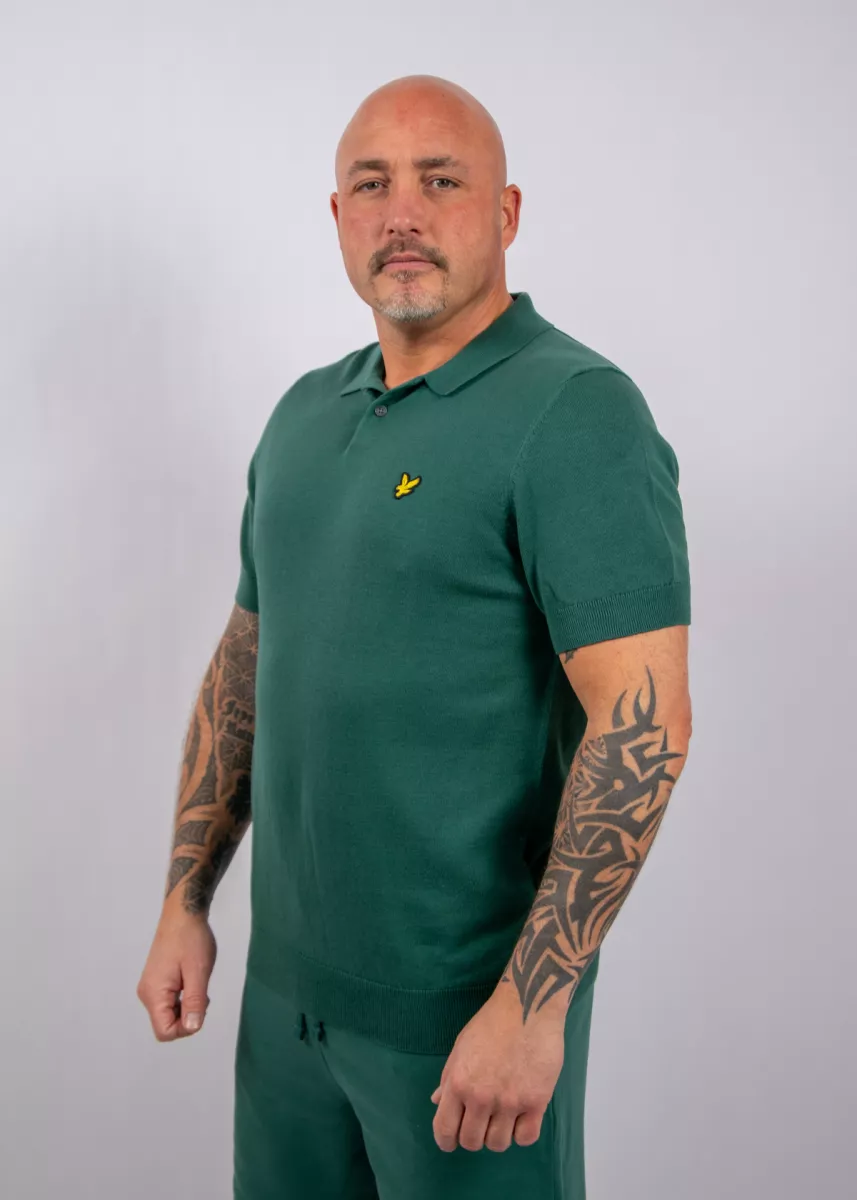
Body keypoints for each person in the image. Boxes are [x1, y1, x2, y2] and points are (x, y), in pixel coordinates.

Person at [137, 73, 693, 1199]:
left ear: (506, 212)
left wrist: (531, 1005)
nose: (401, 213)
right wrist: (184, 901)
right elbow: (247, 668)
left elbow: (644, 727)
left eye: (440, 181)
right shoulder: (303, 415)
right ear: (336, 215)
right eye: (371, 184)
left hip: (466, 1025)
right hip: (284, 1007)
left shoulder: (575, 411)